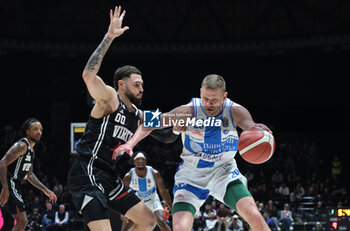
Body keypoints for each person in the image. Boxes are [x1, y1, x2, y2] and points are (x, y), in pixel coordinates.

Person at [67, 6, 178, 231]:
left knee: (148, 221)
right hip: (87, 172)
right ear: (121, 84)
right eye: (137, 85)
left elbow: (167, 137)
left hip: (108, 175)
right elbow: (88, 75)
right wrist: (109, 37)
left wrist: (181, 127)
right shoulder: (109, 98)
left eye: (143, 85)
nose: (141, 89)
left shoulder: (141, 116)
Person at [113, 74, 272, 231]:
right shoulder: (188, 111)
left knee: (254, 215)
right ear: (200, 92)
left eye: (214, 100)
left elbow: (251, 128)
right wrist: (130, 143)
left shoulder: (235, 111)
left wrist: (258, 130)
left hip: (224, 171)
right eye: (205, 98)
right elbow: (149, 121)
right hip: (191, 175)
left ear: (224, 97)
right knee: (180, 227)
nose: (209, 104)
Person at [0, 118, 57, 231]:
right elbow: (2, 163)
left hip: (14, 185)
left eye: (40, 129)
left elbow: (29, 174)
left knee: (9, 222)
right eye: (35, 129)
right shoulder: (21, 146)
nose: (39, 132)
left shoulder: (32, 151)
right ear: (27, 132)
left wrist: (46, 190)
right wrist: (5, 187)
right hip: (9, 183)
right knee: (23, 221)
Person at [121, 151, 172, 231]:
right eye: (138, 159)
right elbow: (122, 195)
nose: (140, 161)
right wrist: (122, 213)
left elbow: (163, 191)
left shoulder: (154, 173)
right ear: (134, 161)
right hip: (138, 203)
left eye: (142, 159)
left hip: (152, 200)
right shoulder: (128, 176)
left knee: (161, 221)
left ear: (145, 161)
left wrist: (171, 207)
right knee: (126, 227)